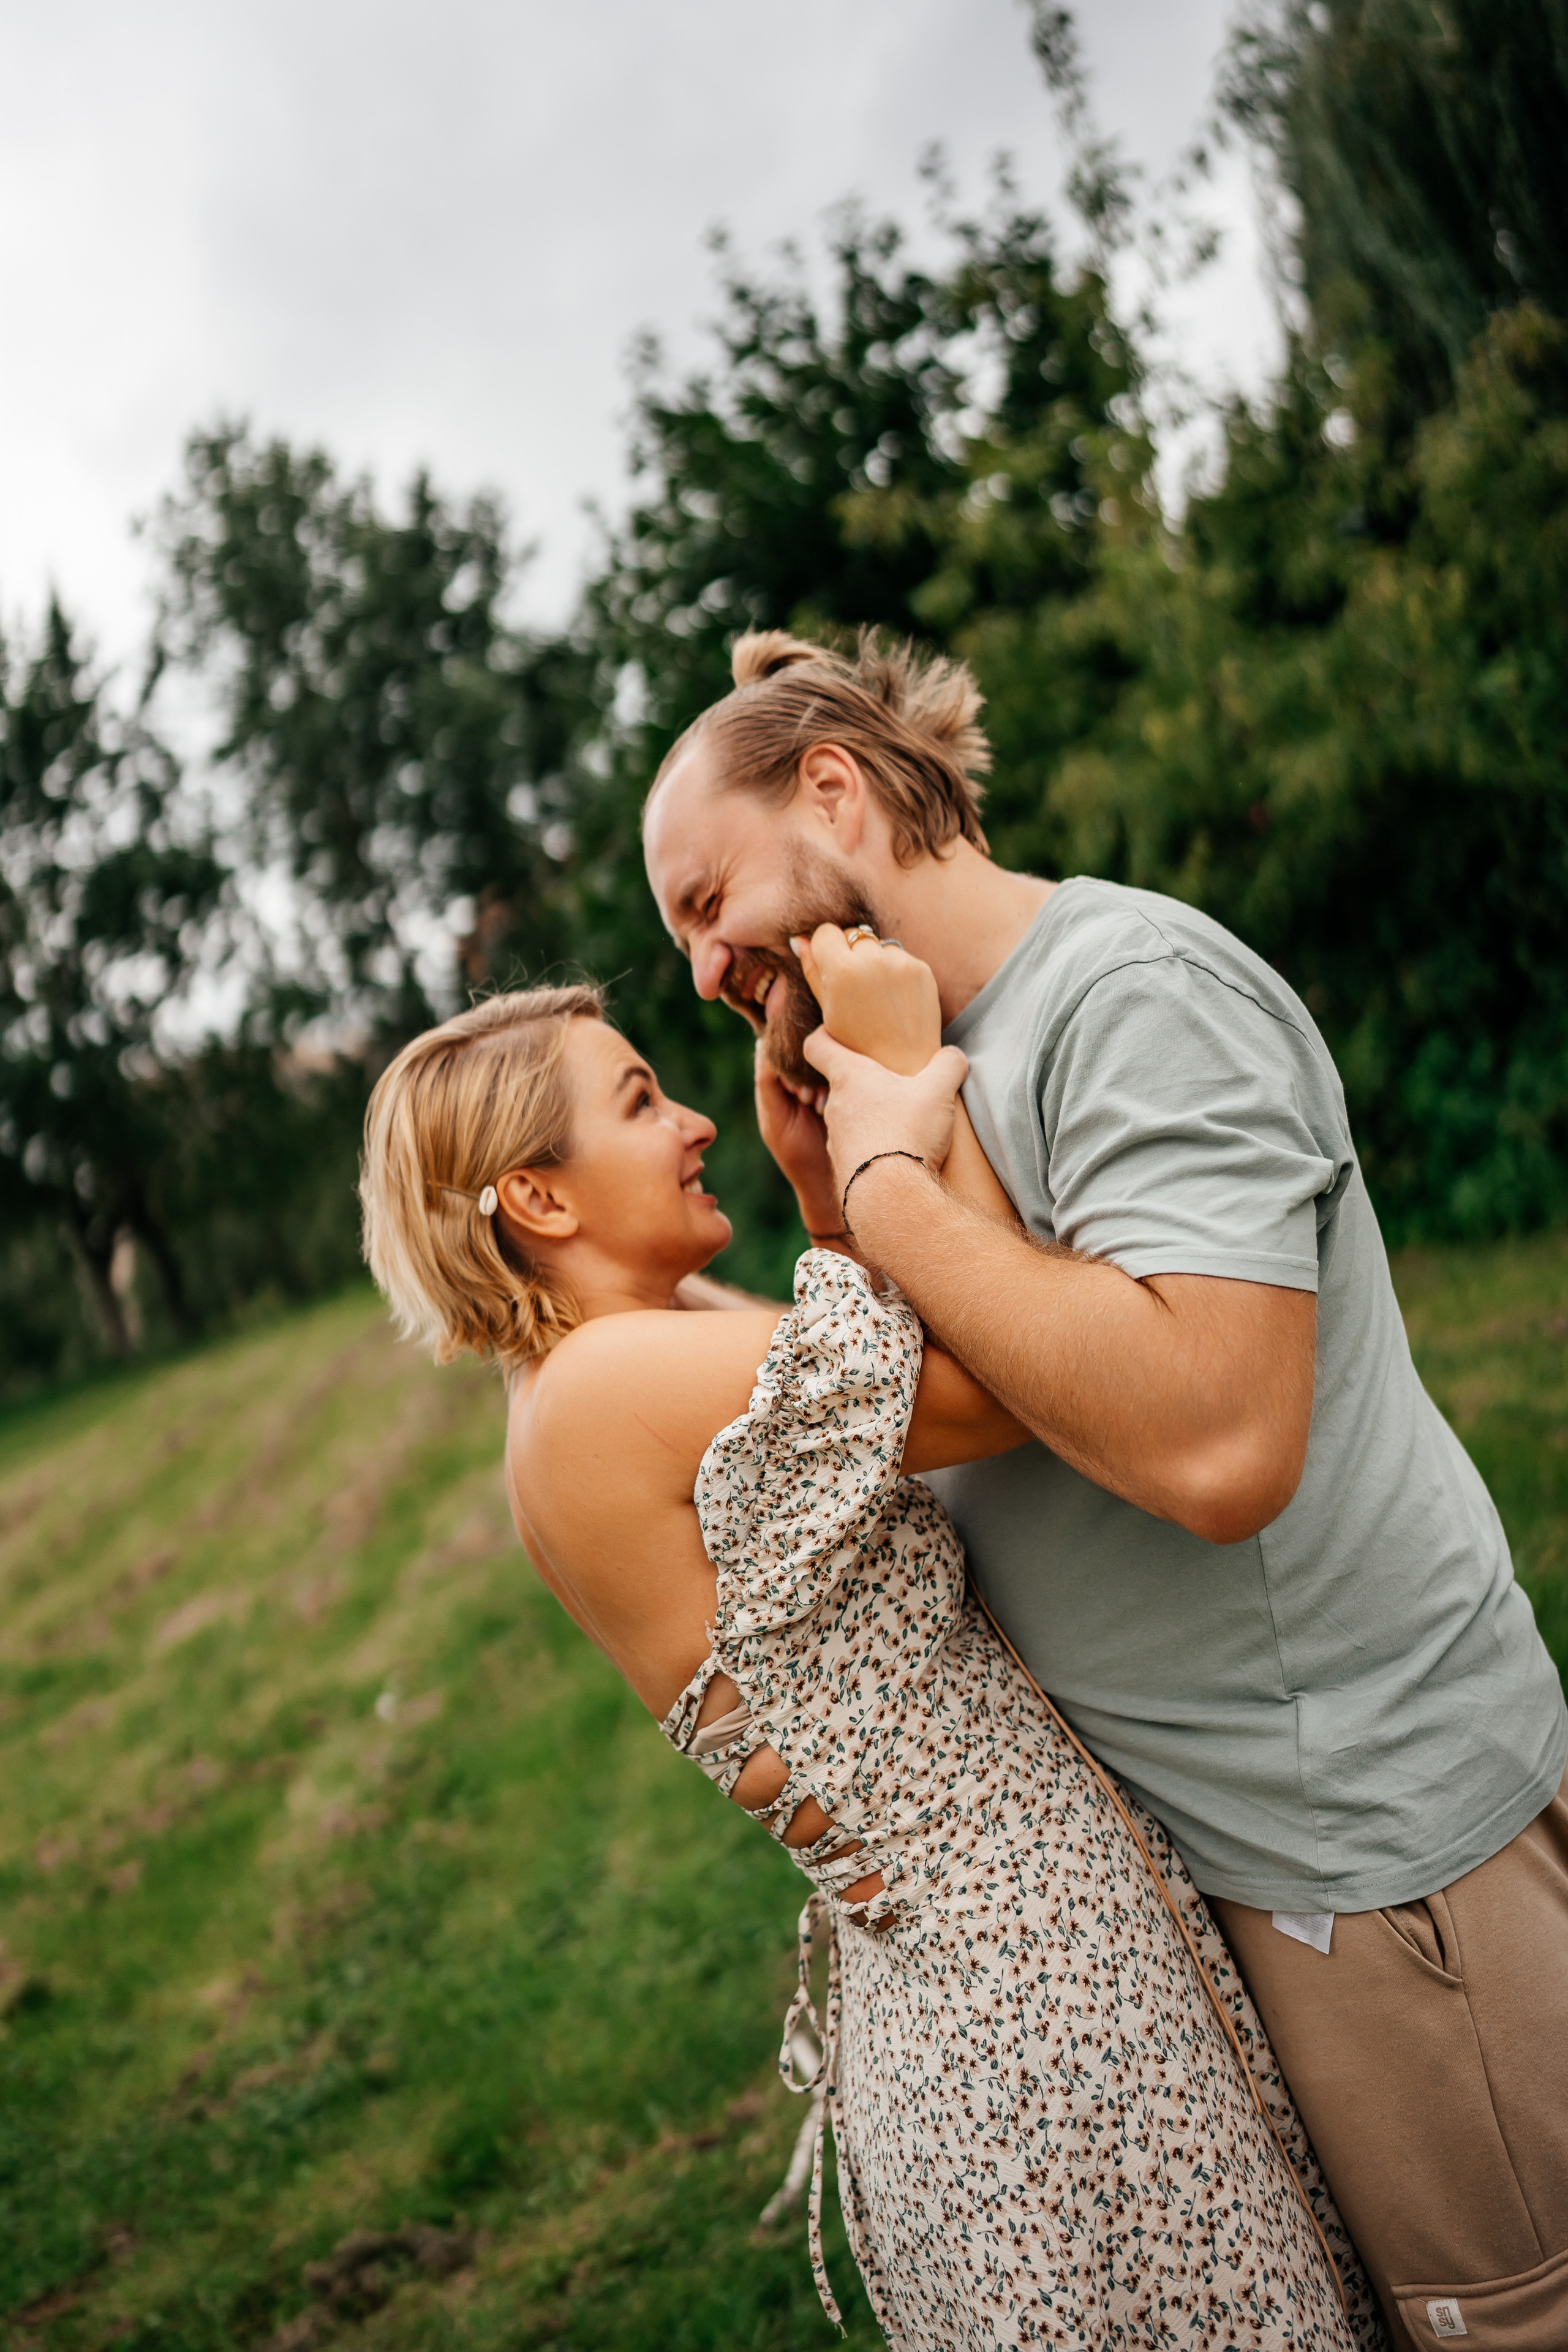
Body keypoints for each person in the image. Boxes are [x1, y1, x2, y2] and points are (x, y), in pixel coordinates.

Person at [642, 626, 1568, 2352]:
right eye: (679, 937)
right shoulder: (920, 1065)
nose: (700, 965)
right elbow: (995, 1398)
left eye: (706, 897)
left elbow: (1216, 1445)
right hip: (1238, 1861)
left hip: (1368, 1859)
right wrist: (841, 1193)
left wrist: (899, 1187)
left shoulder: (1128, 997)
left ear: (833, 791)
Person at [357, 976, 1381, 2350]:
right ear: (539, 1200)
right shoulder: (615, 1386)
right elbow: (1020, 1380)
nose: (695, 1119)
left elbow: (859, 1367)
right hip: (1030, 1989)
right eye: (642, 1101)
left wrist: (820, 1185)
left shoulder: (588, 1379)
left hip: (959, 1995)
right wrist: (897, 1126)